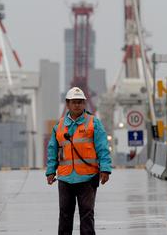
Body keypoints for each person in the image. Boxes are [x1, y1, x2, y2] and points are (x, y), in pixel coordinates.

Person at [46, 87, 112, 235]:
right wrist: (50, 171)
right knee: (64, 215)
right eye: (74, 102)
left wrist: (105, 169)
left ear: (84, 104)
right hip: (65, 178)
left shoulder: (94, 123)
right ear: (67, 104)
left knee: (87, 215)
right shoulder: (59, 126)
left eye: (80, 102)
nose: (77, 105)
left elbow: (103, 148)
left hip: (87, 177)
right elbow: (52, 150)